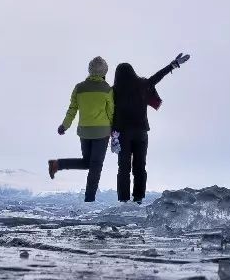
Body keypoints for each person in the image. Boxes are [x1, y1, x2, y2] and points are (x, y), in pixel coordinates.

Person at [112, 52, 190, 203]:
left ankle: (123, 200)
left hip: (122, 134)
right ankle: (139, 198)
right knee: (140, 166)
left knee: (123, 168)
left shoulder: (113, 91)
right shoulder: (142, 84)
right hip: (141, 133)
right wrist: (174, 64)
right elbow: (158, 76)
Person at [48, 56, 114, 202]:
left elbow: (72, 109)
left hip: (85, 132)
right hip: (102, 133)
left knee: (87, 163)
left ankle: (57, 164)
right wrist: (114, 129)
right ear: (104, 72)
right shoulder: (107, 90)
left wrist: (64, 125)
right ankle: (89, 200)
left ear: (90, 71)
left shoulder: (79, 88)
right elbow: (111, 112)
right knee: (95, 166)